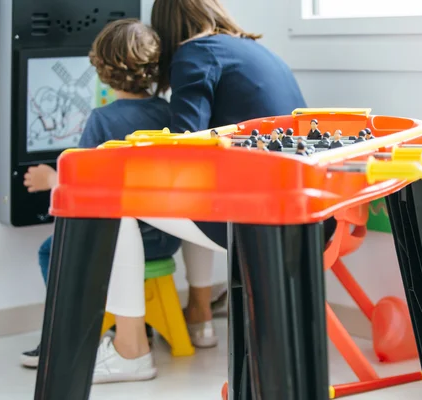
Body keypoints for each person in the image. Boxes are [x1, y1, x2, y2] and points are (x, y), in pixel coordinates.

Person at [91, 0, 337, 385]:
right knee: (206, 190)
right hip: (317, 212)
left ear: (167, 29)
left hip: (266, 221)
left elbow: (184, 146)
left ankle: (130, 350)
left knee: (112, 202)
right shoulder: (255, 49)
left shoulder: (195, 54)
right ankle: (200, 318)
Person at [19, 19, 186, 370]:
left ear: (102, 71)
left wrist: (52, 178)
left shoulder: (102, 120)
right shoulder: (171, 112)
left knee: (51, 251)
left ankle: (69, 332)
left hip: (124, 241)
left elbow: (86, 189)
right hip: (168, 237)